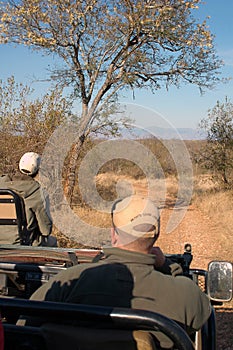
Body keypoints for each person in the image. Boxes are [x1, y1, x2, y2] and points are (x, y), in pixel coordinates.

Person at [18, 195, 211, 348]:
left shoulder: (72, 279)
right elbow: (201, 315)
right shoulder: (183, 293)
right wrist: (169, 266)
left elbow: (23, 326)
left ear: (113, 234)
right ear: (156, 236)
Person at [0, 152, 57, 247]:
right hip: (24, 242)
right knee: (52, 241)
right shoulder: (38, 192)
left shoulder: (2, 183)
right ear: (38, 170)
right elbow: (45, 230)